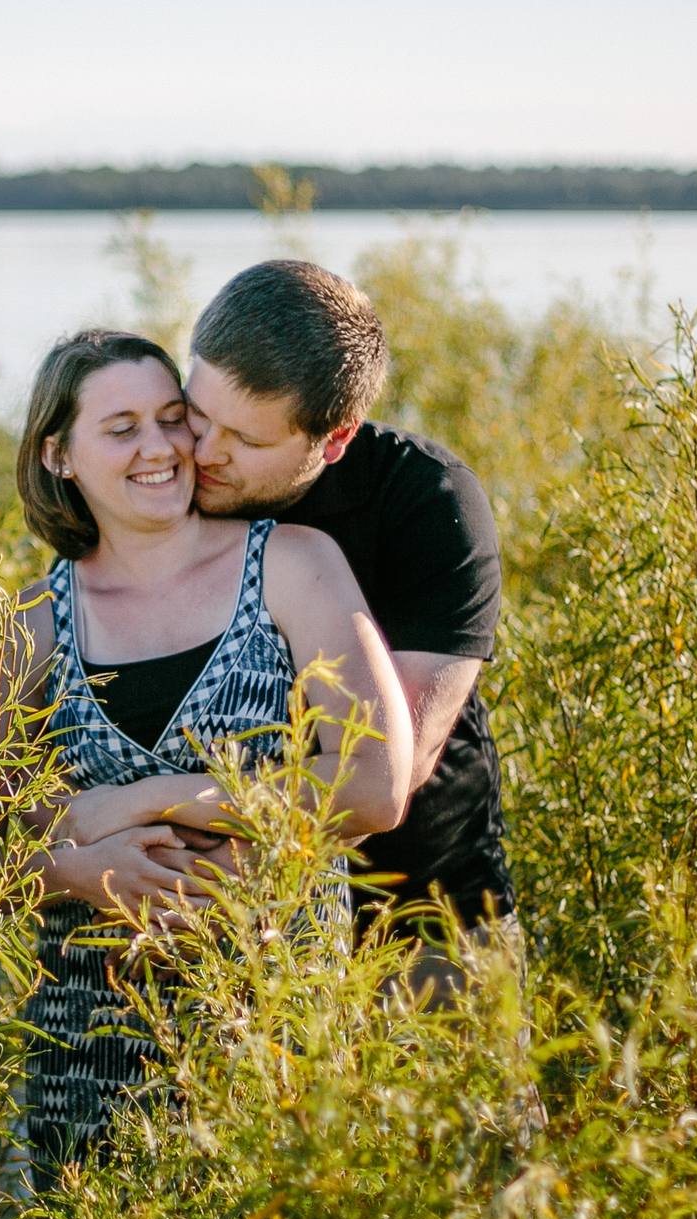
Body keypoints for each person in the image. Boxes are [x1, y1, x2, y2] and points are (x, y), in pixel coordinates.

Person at [0, 327, 412, 1181]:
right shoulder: (26, 628)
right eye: (122, 427)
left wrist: (154, 796)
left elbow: (375, 784)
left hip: (276, 1028)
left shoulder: (290, 567)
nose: (160, 447)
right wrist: (80, 873)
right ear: (59, 455)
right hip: (86, 1054)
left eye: (173, 417)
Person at [179, 259, 515, 998]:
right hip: (224, 934)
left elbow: (400, 762)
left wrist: (194, 888)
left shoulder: (426, 500)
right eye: (197, 415)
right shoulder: (171, 481)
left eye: (244, 439)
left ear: (333, 440)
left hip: (424, 921)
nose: (203, 451)